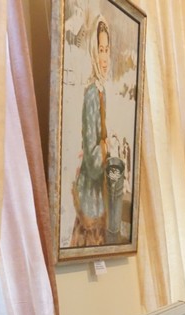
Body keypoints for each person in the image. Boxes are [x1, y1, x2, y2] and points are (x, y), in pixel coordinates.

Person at [70, 16, 111, 247]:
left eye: (106, 50)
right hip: (90, 201)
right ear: (93, 53)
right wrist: (107, 146)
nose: (104, 58)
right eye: (100, 50)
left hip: (97, 198)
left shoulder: (101, 92)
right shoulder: (92, 95)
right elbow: (94, 162)